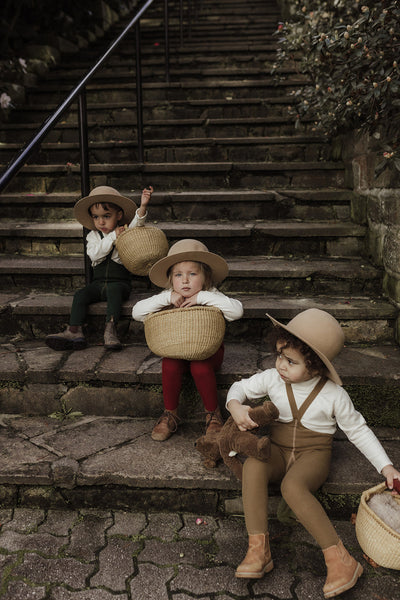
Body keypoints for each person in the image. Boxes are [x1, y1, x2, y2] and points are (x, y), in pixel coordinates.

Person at [225, 308, 400, 599]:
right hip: (278, 449)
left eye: (290, 361)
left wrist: (387, 468)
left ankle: (341, 561)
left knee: (292, 486)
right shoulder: (271, 379)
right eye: (280, 354)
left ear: (316, 366)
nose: (281, 364)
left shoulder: (334, 395)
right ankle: (259, 549)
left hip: (313, 455)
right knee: (254, 465)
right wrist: (235, 406)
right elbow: (239, 388)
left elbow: (358, 431)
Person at [132, 238, 243, 441]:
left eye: (192, 274)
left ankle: (213, 414)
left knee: (199, 367)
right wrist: (166, 298)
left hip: (209, 352)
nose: (185, 281)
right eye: (178, 275)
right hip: (176, 351)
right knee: (169, 364)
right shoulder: (169, 295)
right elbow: (136, 312)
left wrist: (201, 298)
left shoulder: (211, 294)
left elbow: (236, 311)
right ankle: (171, 413)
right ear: (171, 279)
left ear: (205, 277)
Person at [46, 185, 152, 351]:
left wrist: (143, 206)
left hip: (120, 283)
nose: (100, 221)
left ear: (119, 216)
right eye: (96, 217)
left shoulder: (125, 231)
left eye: (106, 216)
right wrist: (112, 237)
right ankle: (74, 330)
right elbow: (95, 255)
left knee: (114, 291)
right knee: (81, 294)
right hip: (98, 283)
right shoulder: (93, 236)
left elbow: (137, 223)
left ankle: (110, 329)